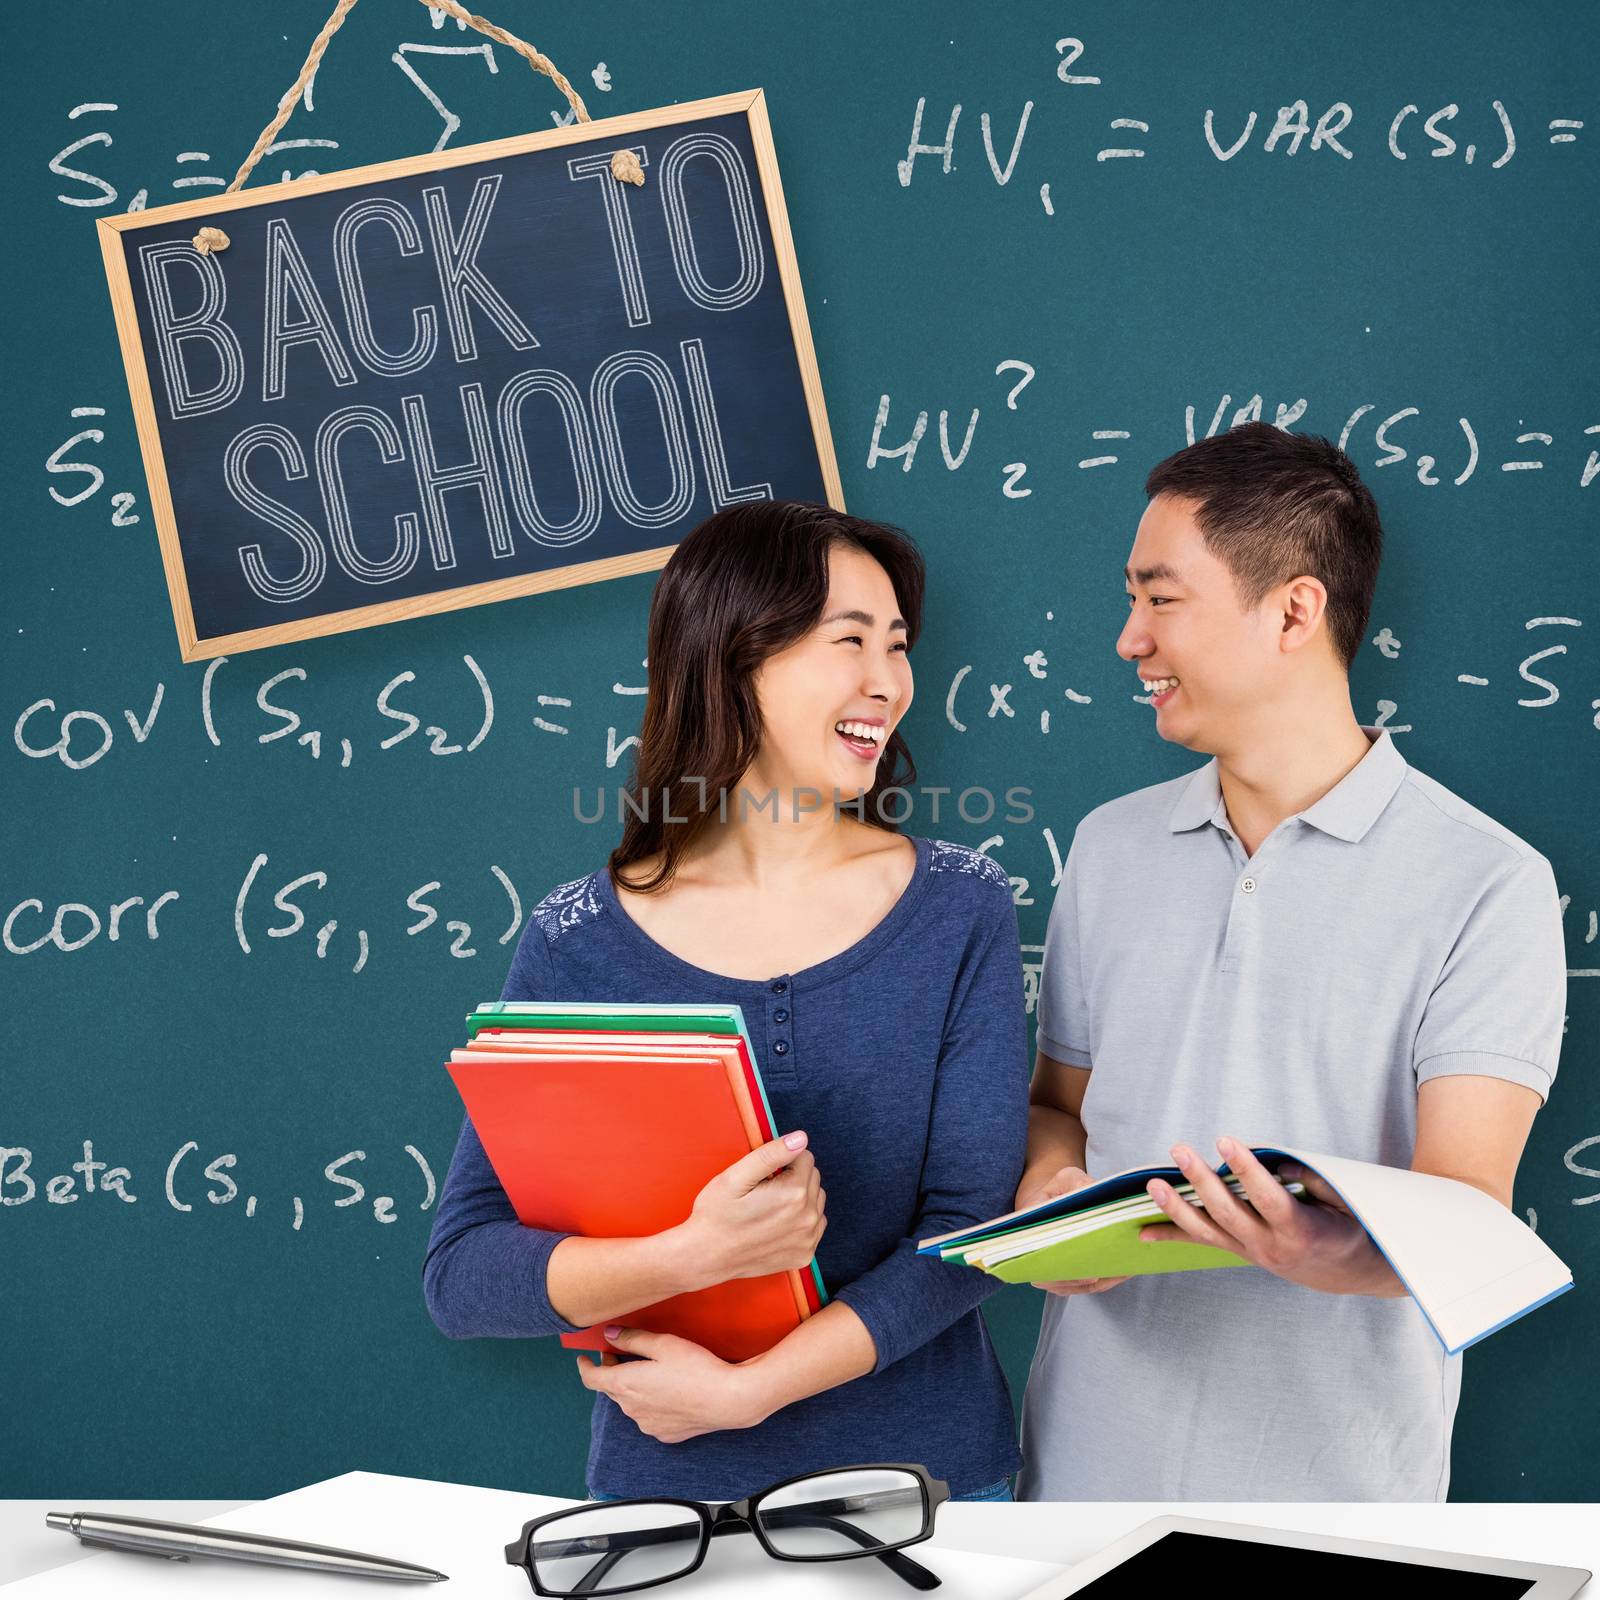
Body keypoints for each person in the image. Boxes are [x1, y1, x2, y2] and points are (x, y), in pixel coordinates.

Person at [423, 500, 1029, 1502]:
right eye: (850, 642)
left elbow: (968, 1234)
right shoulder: (576, 937)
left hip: (929, 1497)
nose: (888, 682)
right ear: (734, 655)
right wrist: (689, 1254)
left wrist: (753, 1391)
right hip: (670, 1511)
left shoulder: (960, 904)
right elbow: (464, 1275)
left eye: (898, 645)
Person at [1016, 421, 1566, 1501]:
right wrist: (1053, 1200)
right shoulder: (1107, 847)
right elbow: (1055, 1109)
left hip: (1340, 1502)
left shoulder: (1486, 881)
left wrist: (1316, 1253)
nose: (1129, 638)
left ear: (1294, 610)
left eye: (1160, 597)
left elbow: (1469, 1205)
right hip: (1079, 1481)